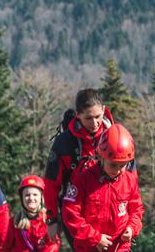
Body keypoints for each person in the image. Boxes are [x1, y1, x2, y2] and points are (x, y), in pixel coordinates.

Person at [60, 123, 144, 252]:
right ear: (101, 157)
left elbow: (136, 209)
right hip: (88, 251)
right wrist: (94, 237)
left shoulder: (129, 180)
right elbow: (70, 212)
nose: (119, 170)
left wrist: (131, 228)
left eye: (124, 164)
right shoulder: (83, 177)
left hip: (118, 250)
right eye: (114, 165)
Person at [43, 88, 114, 241]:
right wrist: (51, 219)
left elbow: (130, 177)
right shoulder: (64, 143)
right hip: (76, 214)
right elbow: (50, 184)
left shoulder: (114, 136)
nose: (94, 123)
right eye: (88, 118)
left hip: (110, 211)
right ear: (78, 115)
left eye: (98, 116)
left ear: (104, 110)